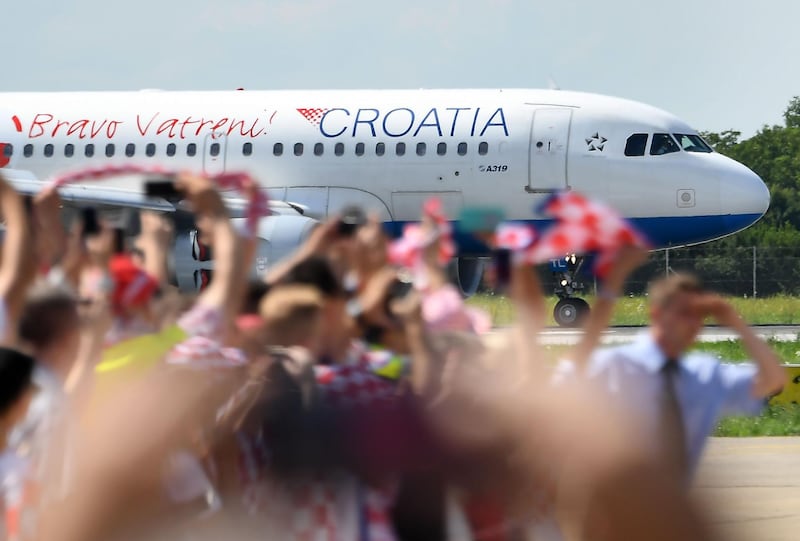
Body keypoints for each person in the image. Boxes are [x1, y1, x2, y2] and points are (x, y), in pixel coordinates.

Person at [562, 272, 787, 481]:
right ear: (656, 314)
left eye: (699, 316)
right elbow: (560, 387)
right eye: (684, 314)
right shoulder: (616, 365)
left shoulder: (704, 375)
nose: (693, 324)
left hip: (672, 513)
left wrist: (734, 321)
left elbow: (773, 380)